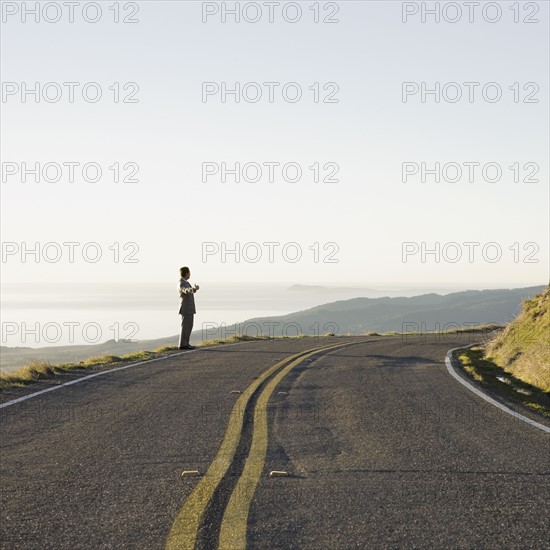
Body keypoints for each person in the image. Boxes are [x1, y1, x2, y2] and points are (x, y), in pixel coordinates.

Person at [178, 266, 199, 350]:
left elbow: (189, 290)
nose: (190, 274)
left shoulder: (185, 282)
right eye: (189, 272)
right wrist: (192, 289)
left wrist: (194, 289)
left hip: (189, 309)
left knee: (188, 327)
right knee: (185, 327)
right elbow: (185, 290)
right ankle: (183, 344)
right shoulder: (181, 282)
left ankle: (186, 343)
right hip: (186, 308)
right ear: (186, 273)